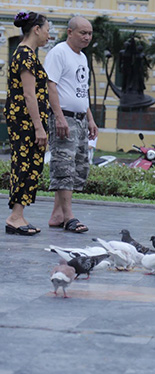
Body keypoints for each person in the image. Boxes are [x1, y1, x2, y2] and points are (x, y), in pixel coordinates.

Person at [43, 16, 98, 233]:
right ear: (70, 32)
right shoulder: (59, 52)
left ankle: (57, 214)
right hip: (64, 117)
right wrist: (58, 117)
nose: (87, 37)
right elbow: (51, 85)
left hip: (80, 119)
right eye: (83, 33)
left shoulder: (82, 57)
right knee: (63, 167)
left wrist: (91, 119)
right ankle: (68, 217)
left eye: (90, 33)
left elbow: (81, 91)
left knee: (77, 168)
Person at [4, 12, 51, 236]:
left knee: (30, 165)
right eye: (47, 30)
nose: (48, 36)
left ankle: (18, 214)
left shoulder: (28, 54)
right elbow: (29, 95)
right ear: (36, 29)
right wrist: (39, 127)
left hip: (26, 121)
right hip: (26, 122)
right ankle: (14, 217)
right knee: (24, 165)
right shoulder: (25, 55)